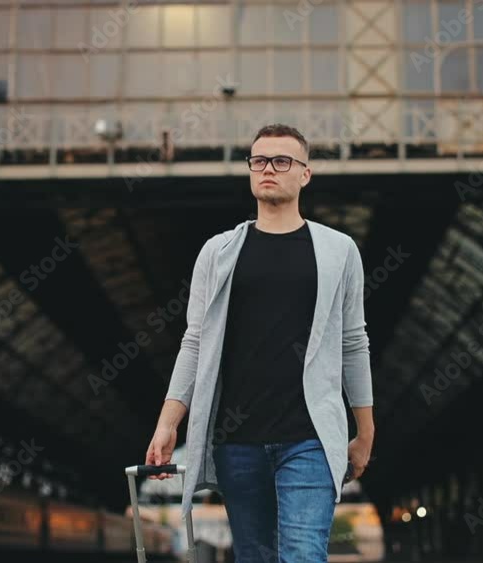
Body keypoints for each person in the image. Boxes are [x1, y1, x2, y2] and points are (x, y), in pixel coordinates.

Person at [145, 123, 374, 562]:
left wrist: (364, 430)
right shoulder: (218, 252)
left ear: (305, 173)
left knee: (303, 554)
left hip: (309, 437)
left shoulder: (338, 251)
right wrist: (168, 422)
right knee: (255, 556)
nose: (268, 169)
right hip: (238, 440)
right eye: (259, 161)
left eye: (282, 160)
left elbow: (353, 343)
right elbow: (194, 343)